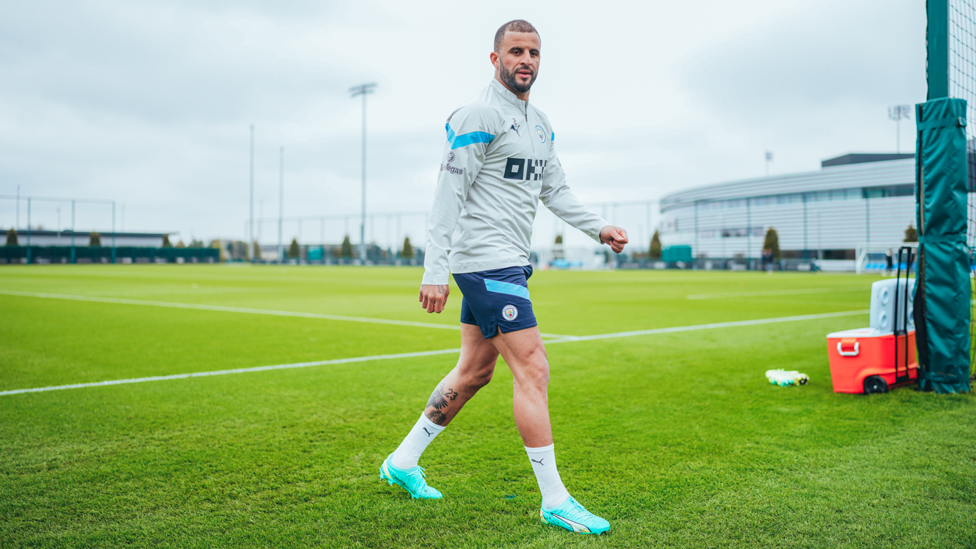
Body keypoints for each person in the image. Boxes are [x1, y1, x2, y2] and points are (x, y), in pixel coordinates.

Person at [379, 19, 628, 536]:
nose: (526, 60)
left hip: (509, 261)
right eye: (516, 51)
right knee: (533, 369)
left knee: (473, 372)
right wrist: (435, 270)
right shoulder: (477, 115)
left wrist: (598, 226)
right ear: (494, 59)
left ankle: (401, 462)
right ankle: (555, 500)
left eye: (534, 52)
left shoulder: (540, 124)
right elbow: (446, 196)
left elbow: (554, 190)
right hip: (484, 262)